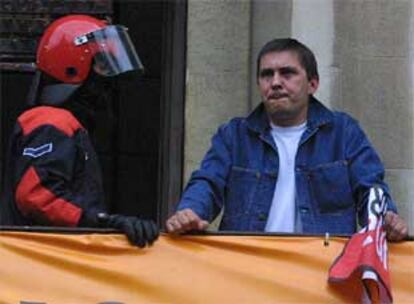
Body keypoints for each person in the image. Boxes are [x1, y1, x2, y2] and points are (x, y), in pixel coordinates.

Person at [166, 38, 408, 241]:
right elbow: (207, 182)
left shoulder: (343, 132)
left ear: (312, 84)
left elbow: (370, 189)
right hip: (248, 272)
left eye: (287, 73)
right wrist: (189, 212)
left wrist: (385, 219)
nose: (276, 82)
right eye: (266, 75)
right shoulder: (234, 135)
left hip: (323, 272)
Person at [0, 15, 159, 248]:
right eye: (102, 63)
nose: (108, 77)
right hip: (41, 264)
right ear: (72, 65)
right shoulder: (51, 121)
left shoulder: (65, 124)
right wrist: (102, 222)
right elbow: (36, 197)